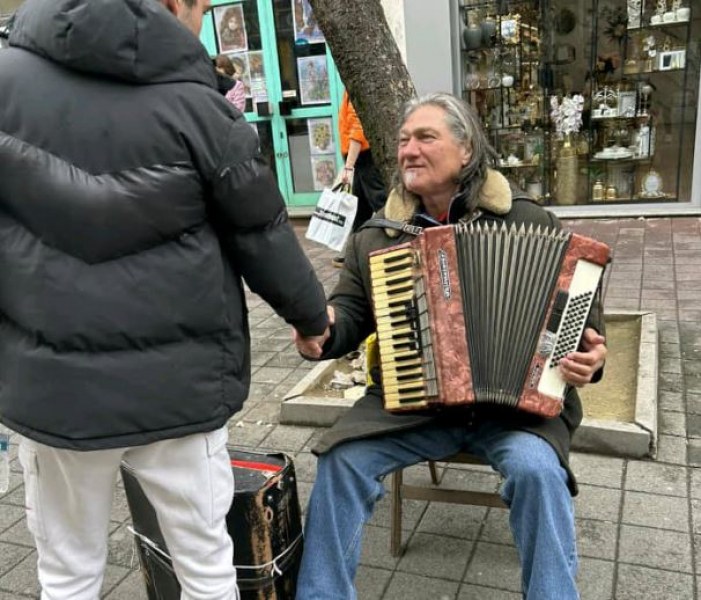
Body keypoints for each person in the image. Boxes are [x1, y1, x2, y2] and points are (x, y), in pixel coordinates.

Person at [0, 0, 329, 598]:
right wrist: (310, 318)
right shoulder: (199, 104)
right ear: (173, 4)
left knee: (67, 572)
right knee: (204, 559)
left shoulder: (4, 83)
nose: (203, 21)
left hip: (55, 390)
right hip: (181, 385)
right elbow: (261, 232)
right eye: (202, 7)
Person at [293, 93, 607, 600]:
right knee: (340, 461)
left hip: (514, 412)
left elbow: (583, 324)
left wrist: (589, 361)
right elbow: (350, 314)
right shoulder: (377, 237)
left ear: (465, 151)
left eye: (425, 138)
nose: (408, 150)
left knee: (536, 471)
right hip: (414, 405)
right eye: (401, 141)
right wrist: (323, 332)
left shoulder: (528, 221)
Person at [333, 89, 388, 267]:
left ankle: (398, 241)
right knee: (359, 208)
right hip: (360, 157)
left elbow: (358, 130)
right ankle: (355, 251)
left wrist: (348, 166)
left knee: (380, 202)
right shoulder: (350, 90)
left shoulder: (357, 90)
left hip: (363, 157)